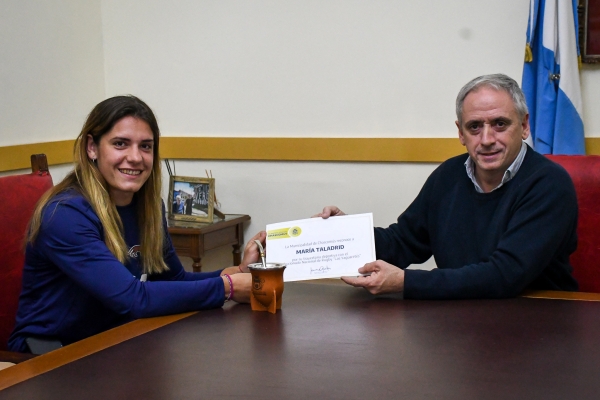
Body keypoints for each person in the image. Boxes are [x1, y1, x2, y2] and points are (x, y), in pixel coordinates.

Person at [8, 95, 264, 353]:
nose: (135, 157)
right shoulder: (65, 215)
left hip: (115, 340)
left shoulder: (149, 208)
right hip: (51, 354)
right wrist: (227, 288)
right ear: (92, 147)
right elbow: (133, 299)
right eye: (120, 144)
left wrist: (238, 271)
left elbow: (174, 279)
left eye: (145, 146)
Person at [315, 74, 578, 299]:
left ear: (523, 126)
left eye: (500, 124)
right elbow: (403, 242)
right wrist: (345, 236)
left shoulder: (549, 184)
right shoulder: (449, 175)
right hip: (460, 319)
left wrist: (405, 282)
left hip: (540, 323)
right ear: (460, 133)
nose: (486, 139)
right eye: (474, 127)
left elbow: (505, 275)